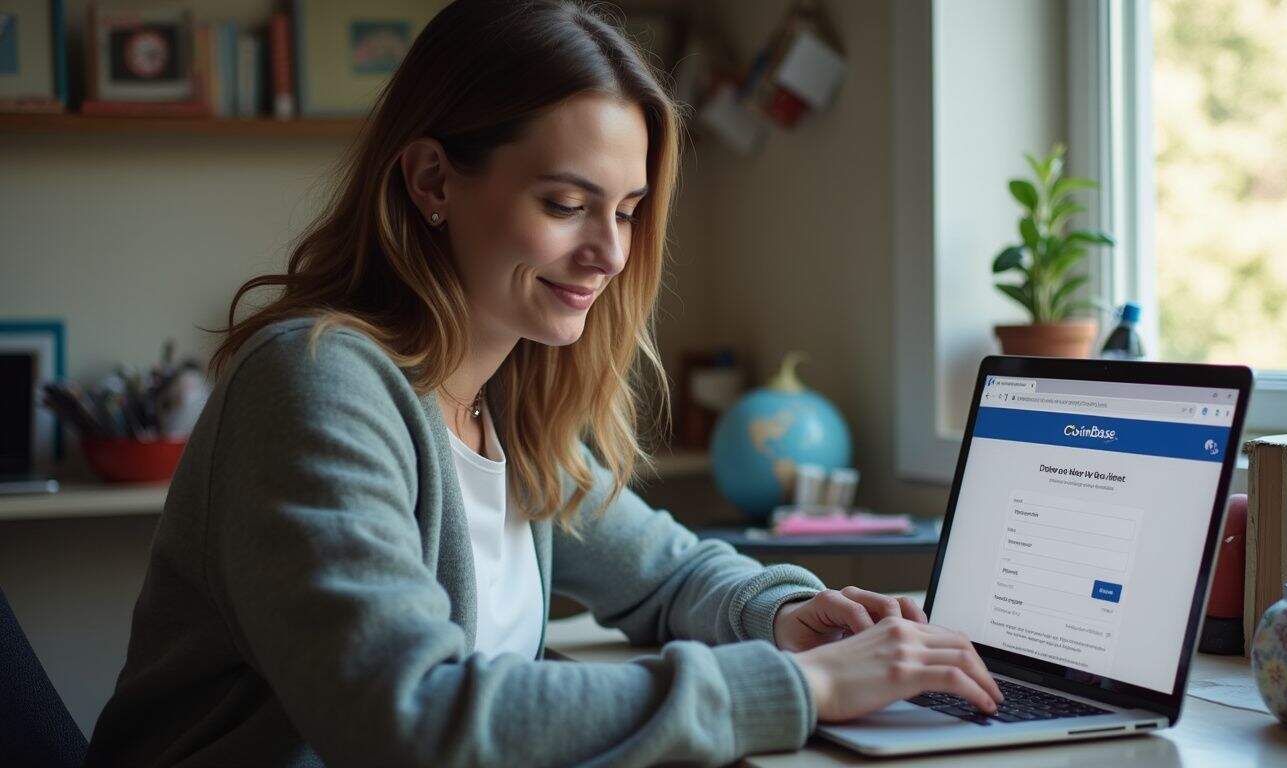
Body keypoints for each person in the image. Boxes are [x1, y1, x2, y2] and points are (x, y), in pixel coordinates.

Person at [83, 1, 1001, 765]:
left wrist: (792, 614)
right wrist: (804, 686)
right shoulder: (318, 385)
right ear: (432, 180)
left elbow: (669, 574)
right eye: (566, 204)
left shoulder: (510, 405)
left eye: (629, 212)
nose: (608, 253)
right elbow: (410, 718)